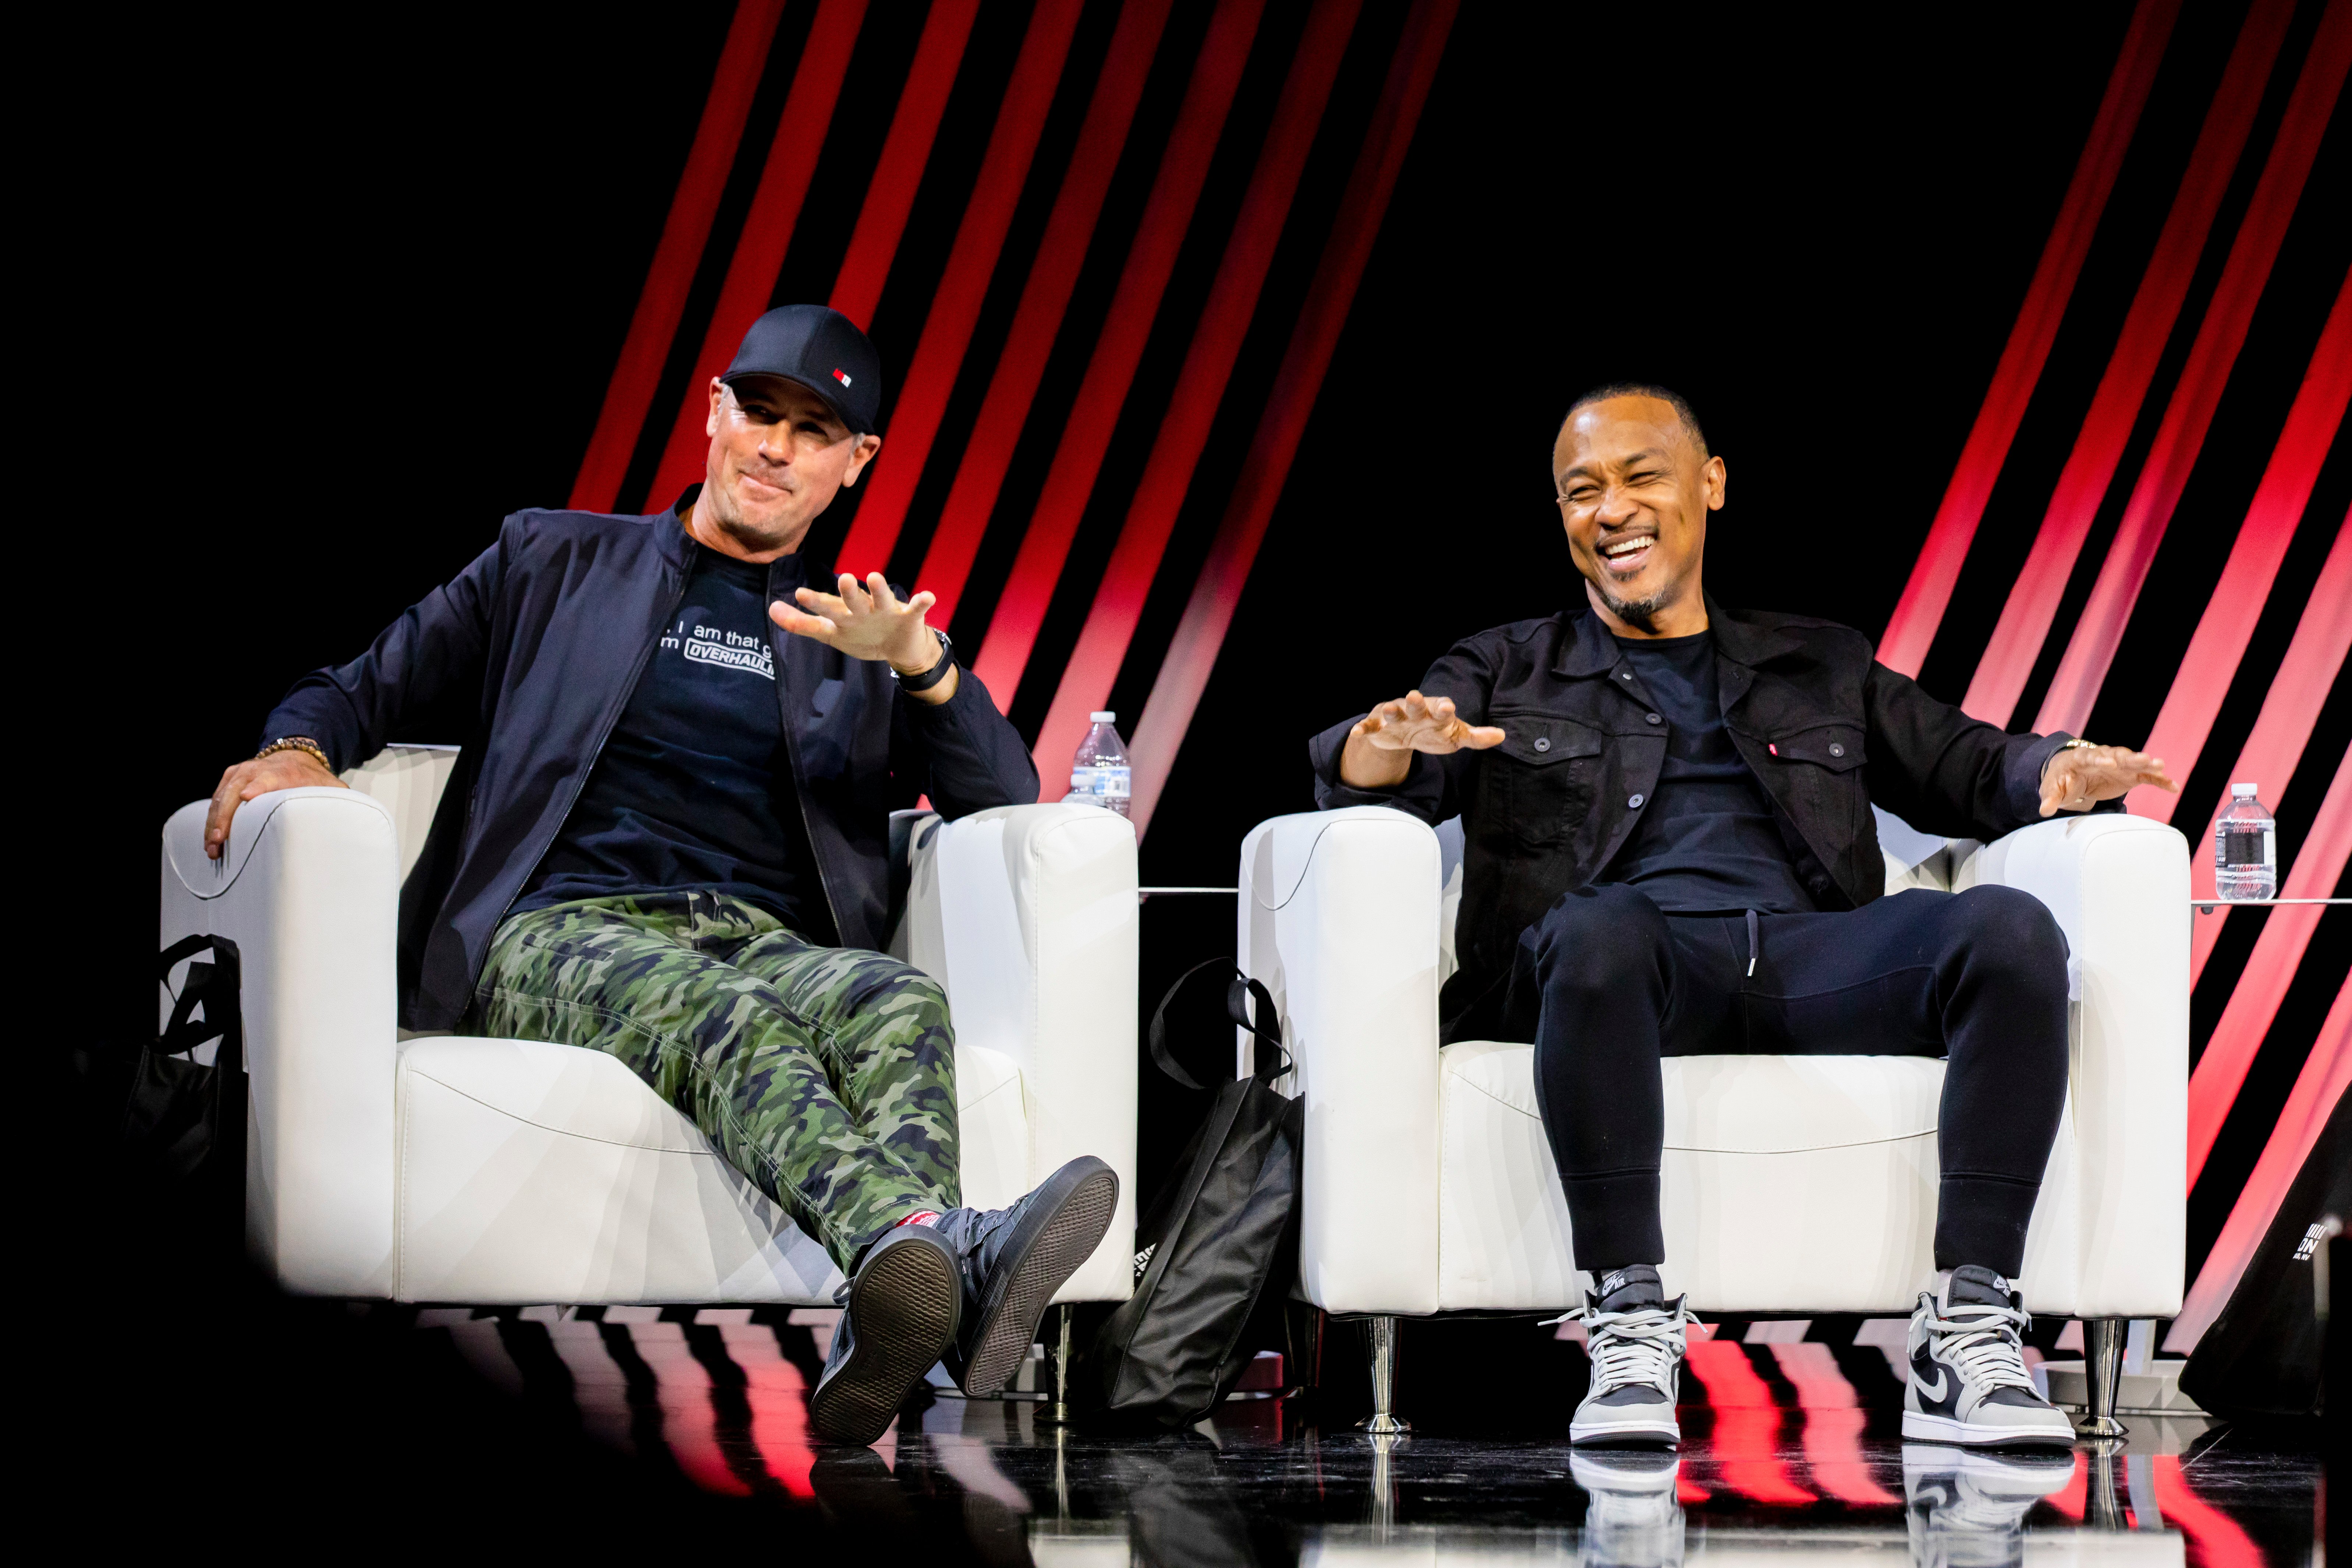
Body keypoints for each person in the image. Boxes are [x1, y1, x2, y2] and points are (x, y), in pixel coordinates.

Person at [204, 304, 1119, 1447]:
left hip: (759, 935)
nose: (774, 448)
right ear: (713, 414)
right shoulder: (553, 557)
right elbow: (356, 690)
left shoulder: (857, 633)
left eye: (812, 430)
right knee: (716, 1009)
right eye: (758, 413)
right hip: (562, 929)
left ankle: (895, 1301)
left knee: (902, 998)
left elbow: (1003, 795)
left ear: (855, 463)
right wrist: (297, 746)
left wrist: (921, 664)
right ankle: (944, 1254)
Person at [1310, 384, 2175, 1448]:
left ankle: (1971, 1326)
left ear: (1709, 486)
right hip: (1619, 968)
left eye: (1639, 477)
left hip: (1809, 958)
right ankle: (1627, 1320)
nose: (1610, 510)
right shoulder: (1502, 667)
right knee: (1600, 932)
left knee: (2005, 929)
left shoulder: (1820, 659)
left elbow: (1965, 764)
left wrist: (2056, 768)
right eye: (1581, 492)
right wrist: (1387, 740)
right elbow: (1370, 791)